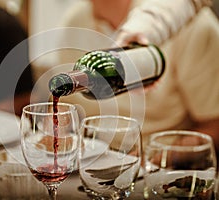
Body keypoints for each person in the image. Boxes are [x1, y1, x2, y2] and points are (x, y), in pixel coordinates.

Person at [32, 0, 219, 156]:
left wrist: (158, 158)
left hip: (155, 171)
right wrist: (57, 130)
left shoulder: (191, 24)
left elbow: (214, 126)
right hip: (91, 163)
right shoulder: (76, 20)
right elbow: (68, 106)